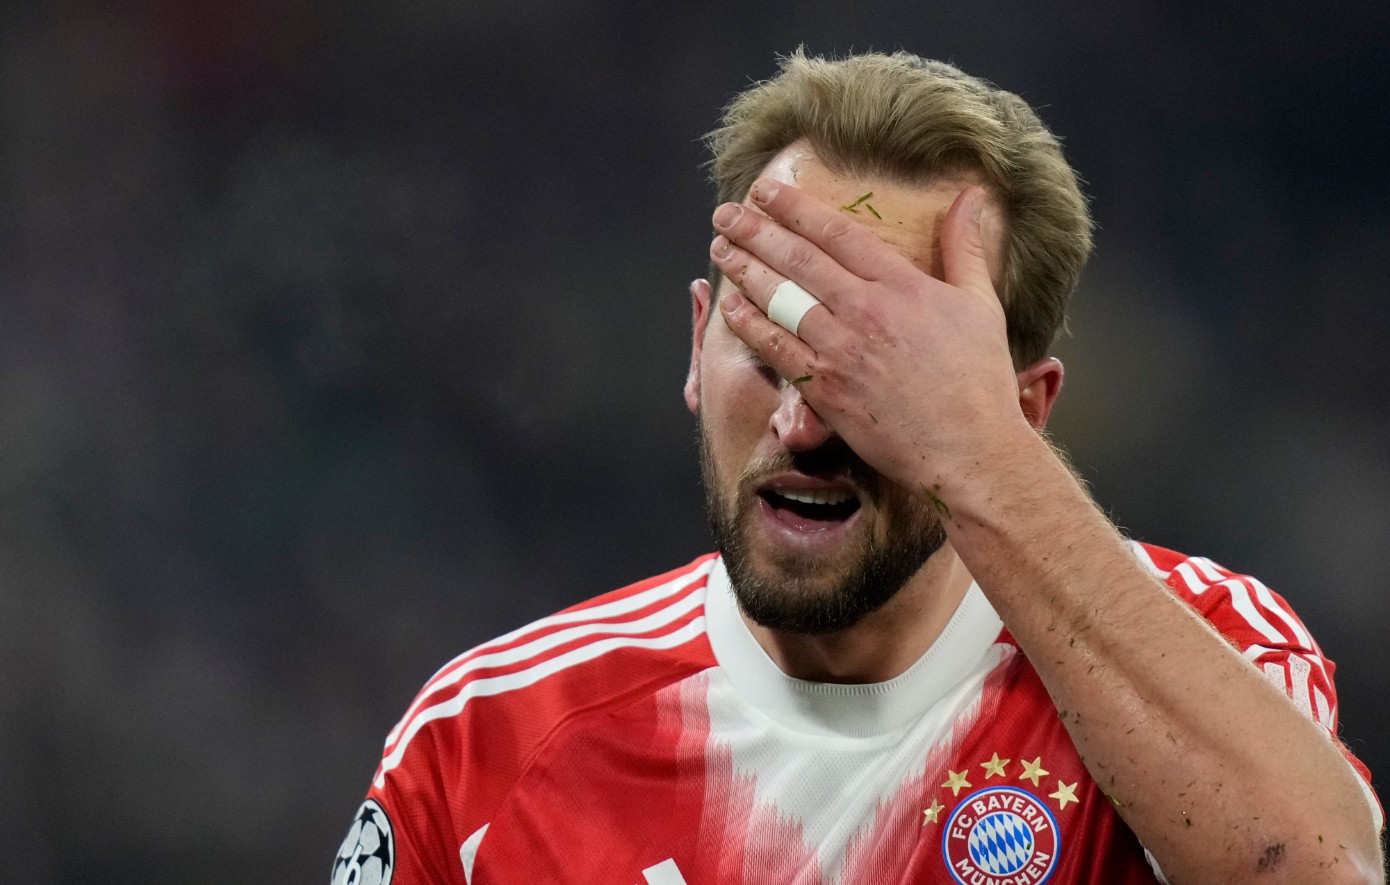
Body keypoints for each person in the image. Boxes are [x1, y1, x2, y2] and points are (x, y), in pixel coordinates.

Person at [333, 50, 1384, 884]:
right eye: (771, 346)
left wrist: (977, 456)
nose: (804, 423)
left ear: (1021, 412)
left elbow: (1323, 869)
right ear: (696, 343)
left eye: (881, 375)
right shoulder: (482, 744)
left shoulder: (1209, 647)